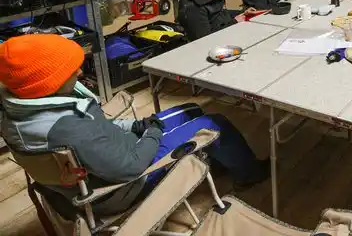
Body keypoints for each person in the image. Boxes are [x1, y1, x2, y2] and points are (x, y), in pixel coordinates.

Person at [0, 35, 269, 217]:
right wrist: (151, 131)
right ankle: (250, 174)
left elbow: (100, 128)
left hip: (107, 161)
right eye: (71, 70)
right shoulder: (67, 128)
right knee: (213, 123)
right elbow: (130, 168)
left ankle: (221, 160)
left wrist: (137, 125)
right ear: (46, 82)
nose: (80, 72)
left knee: (191, 110)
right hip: (122, 186)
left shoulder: (23, 109)